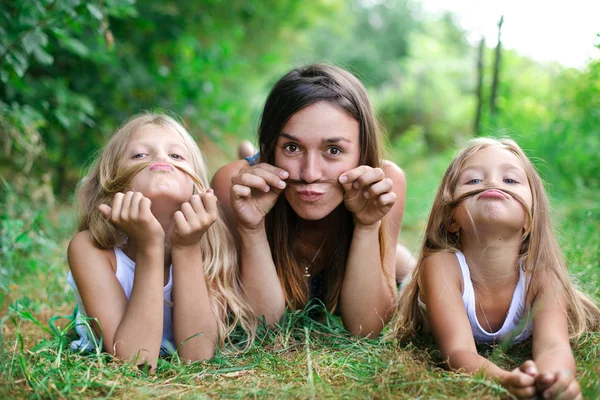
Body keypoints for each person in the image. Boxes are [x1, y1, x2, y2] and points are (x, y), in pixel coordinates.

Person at [387, 138, 600, 399]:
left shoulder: (542, 274)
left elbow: (553, 347)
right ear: (452, 218)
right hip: (420, 283)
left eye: (510, 180)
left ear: (530, 220)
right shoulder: (440, 264)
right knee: (402, 268)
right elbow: (457, 351)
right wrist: (506, 379)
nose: (493, 184)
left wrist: (556, 380)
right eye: (474, 180)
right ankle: (393, 254)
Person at [212, 64, 414, 338]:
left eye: (333, 150)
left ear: (362, 152)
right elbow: (261, 326)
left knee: (406, 267)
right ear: (272, 146)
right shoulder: (234, 186)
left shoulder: (384, 182)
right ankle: (250, 153)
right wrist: (252, 229)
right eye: (292, 147)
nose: (310, 174)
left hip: (351, 259)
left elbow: (366, 328)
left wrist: (367, 227)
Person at [67, 112, 254, 370]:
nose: (161, 159)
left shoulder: (211, 245)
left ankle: (248, 155)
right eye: (140, 155)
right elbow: (135, 361)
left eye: (176, 156)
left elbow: (198, 355)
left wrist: (186, 248)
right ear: (111, 183)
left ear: (196, 185)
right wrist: (150, 246)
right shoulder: (90, 248)